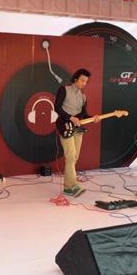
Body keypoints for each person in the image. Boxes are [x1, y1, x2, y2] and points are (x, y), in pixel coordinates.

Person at [54, 68, 100, 197]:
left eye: (86, 81)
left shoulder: (83, 96)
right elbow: (57, 107)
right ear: (75, 79)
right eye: (82, 80)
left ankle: (67, 188)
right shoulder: (64, 90)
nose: (84, 83)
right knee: (70, 156)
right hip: (65, 125)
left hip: (78, 128)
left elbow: (83, 114)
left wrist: (93, 118)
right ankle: (73, 186)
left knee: (75, 158)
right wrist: (70, 117)